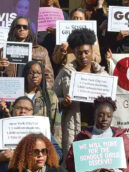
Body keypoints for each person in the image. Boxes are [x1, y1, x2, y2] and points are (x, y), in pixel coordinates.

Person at [53, 28, 108, 156]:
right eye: (79, 53)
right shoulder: (64, 74)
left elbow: (111, 104)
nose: (83, 56)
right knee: (74, 160)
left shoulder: (102, 74)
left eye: (86, 52)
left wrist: (110, 102)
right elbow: (53, 99)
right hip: (73, 125)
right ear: (74, 53)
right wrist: (63, 102)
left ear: (92, 51)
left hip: (96, 126)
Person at [0, 17, 55, 88]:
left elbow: (49, 76)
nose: (21, 29)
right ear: (14, 29)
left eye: (25, 27)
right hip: (11, 91)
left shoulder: (41, 51)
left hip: (33, 93)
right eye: (18, 26)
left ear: (29, 30)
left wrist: (41, 94)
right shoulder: (3, 51)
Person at [21, 60, 62, 146]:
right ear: (25, 75)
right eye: (31, 73)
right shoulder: (18, 94)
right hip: (21, 142)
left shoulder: (50, 96)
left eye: (38, 73)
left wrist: (56, 148)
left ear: (42, 76)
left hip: (43, 144)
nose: (35, 76)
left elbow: (56, 124)